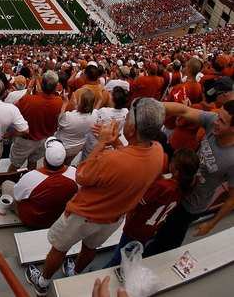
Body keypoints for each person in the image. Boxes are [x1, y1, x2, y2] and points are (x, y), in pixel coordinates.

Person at [25, 98, 166, 296]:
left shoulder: (112, 159)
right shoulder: (159, 152)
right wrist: (115, 141)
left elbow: (81, 175)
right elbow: (133, 160)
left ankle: (43, 282)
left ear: (132, 129)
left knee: (58, 248)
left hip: (84, 214)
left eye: (127, 120)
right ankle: (76, 271)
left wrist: (101, 144)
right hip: (113, 218)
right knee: (90, 247)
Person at [145, 99, 234, 256]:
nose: (216, 122)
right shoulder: (213, 122)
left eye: (222, 121)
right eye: (218, 116)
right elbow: (183, 111)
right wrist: (152, 105)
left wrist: (211, 224)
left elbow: (232, 199)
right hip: (179, 189)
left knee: (170, 238)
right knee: (159, 225)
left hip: (192, 205)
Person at [105, 148, 199, 267]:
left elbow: (139, 202)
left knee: (119, 257)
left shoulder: (162, 186)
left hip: (136, 227)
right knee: (134, 250)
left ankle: (105, 275)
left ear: (176, 170)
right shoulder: (184, 188)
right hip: (151, 228)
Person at [1, 138, 78, 229]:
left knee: (6, 184)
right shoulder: (75, 173)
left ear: (45, 160)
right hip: (57, 218)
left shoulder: (31, 177)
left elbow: (18, 197)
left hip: (32, 220)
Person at [9, 71, 63, 172]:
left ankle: (8, 182)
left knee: (15, 165)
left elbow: (14, 110)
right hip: (43, 140)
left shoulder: (28, 99)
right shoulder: (59, 101)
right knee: (33, 162)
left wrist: (28, 90)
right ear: (55, 87)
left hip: (26, 140)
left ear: (42, 85)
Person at [56, 89, 98, 164]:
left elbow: (59, 122)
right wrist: (76, 105)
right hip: (78, 146)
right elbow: (82, 116)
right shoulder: (95, 115)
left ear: (80, 102)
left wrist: (65, 103)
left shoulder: (69, 116)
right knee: (67, 164)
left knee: (57, 164)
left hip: (64, 146)